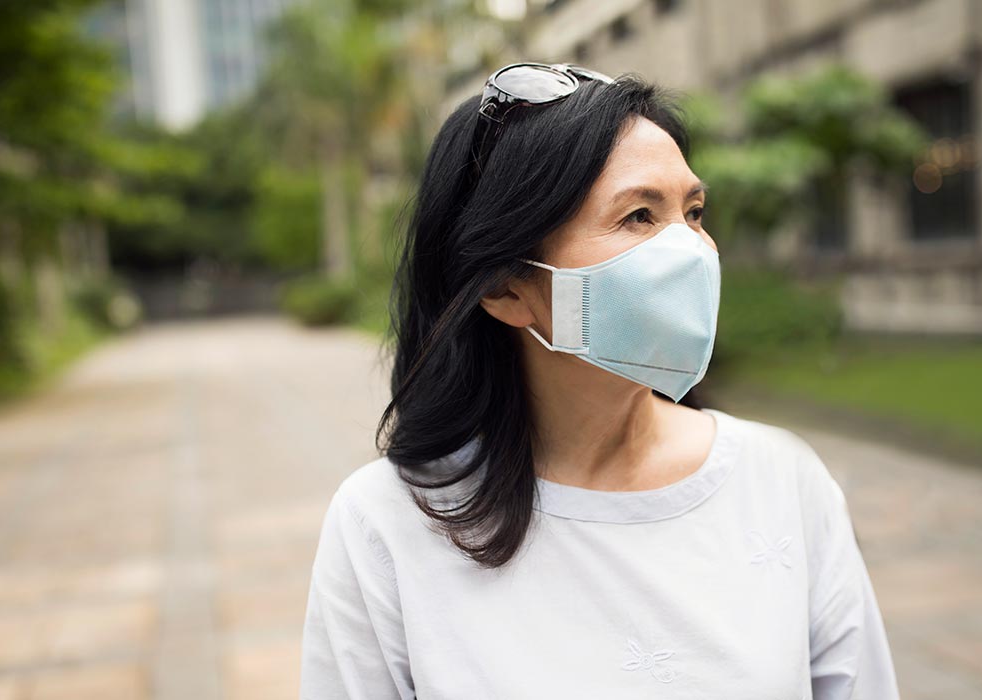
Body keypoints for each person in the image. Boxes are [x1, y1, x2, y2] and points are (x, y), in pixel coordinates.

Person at [299, 63, 899, 699]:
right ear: (506, 288)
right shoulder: (389, 524)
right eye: (639, 215)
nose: (691, 250)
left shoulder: (782, 481)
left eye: (693, 212)